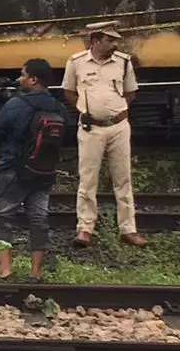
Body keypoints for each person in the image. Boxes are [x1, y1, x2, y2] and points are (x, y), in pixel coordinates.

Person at [61, 20, 146, 248]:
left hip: (118, 126)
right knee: (88, 178)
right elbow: (69, 92)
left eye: (115, 40)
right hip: (91, 128)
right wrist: (88, 111)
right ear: (95, 40)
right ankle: (85, 228)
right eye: (109, 40)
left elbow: (130, 93)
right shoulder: (76, 62)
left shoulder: (124, 62)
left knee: (123, 178)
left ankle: (128, 229)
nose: (114, 44)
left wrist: (114, 111)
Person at [0, 58, 64, 280]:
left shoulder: (16, 104)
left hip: (14, 170)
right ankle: (35, 272)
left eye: (22, 75)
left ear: (33, 79)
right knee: (39, 219)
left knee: (3, 217)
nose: (19, 79)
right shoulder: (58, 106)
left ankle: (5, 270)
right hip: (44, 172)